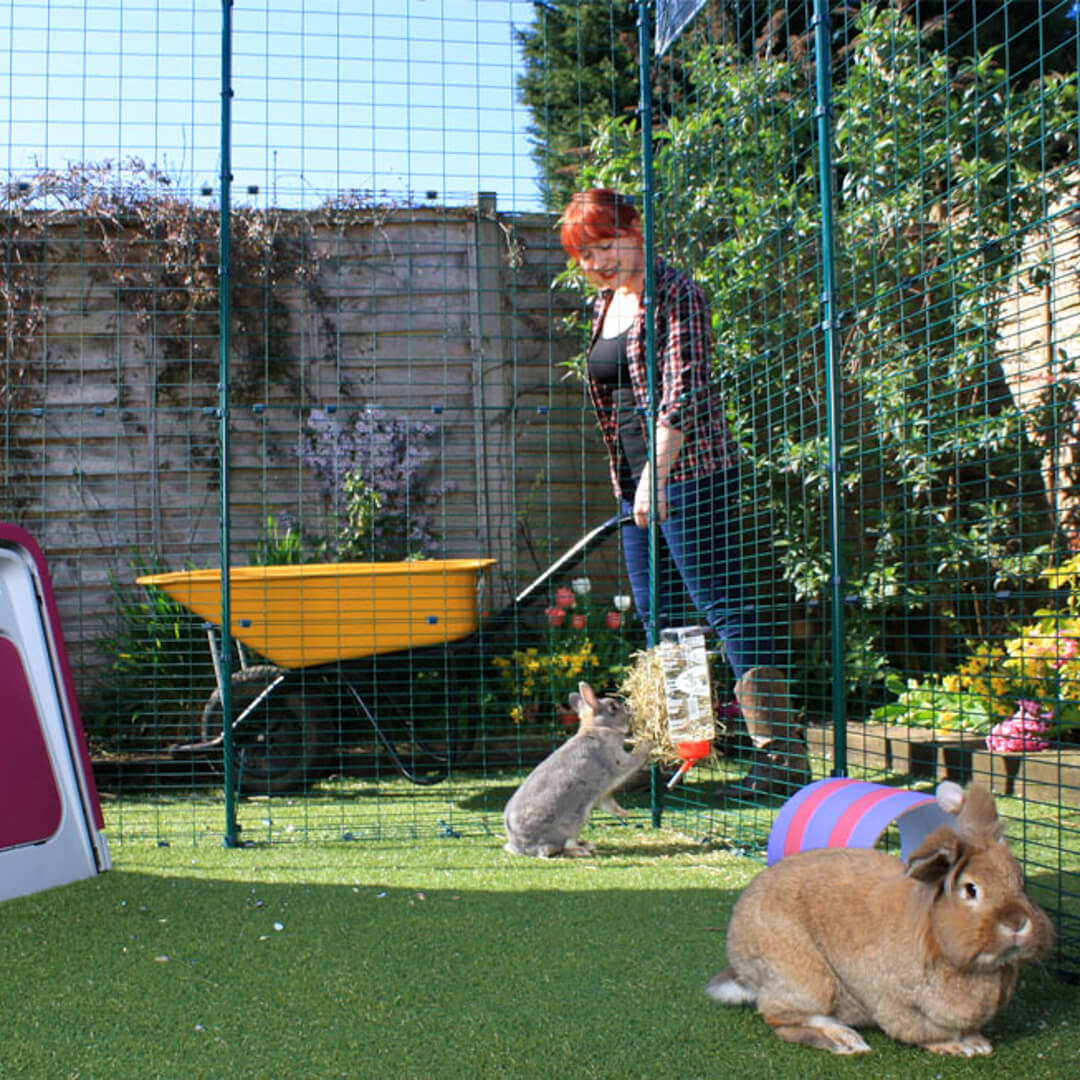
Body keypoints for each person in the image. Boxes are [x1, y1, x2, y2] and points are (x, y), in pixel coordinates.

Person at [559, 187, 809, 798]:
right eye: (585, 254)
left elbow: (685, 388)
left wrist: (658, 475)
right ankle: (687, 753)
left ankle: (780, 758)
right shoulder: (604, 304)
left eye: (606, 245)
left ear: (636, 229)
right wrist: (636, 482)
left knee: (723, 605)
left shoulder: (678, 294)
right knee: (662, 620)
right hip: (634, 482)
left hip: (689, 472)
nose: (598, 262)